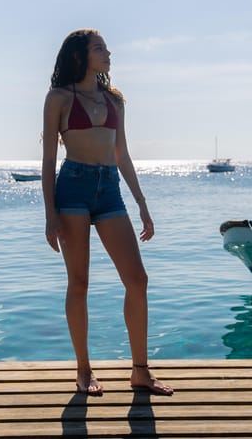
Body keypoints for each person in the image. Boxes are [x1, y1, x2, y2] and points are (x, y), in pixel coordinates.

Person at [41, 29, 172, 396]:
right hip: (73, 188)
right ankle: (83, 370)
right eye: (100, 48)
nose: (108, 53)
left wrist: (142, 203)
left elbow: (122, 154)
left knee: (137, 280)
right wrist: (49, 213)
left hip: (109, 189)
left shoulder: (114, 99)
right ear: (80, 55)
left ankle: (141, 372)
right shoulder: (59, 98)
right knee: (79, 282)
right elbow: (49, 159)